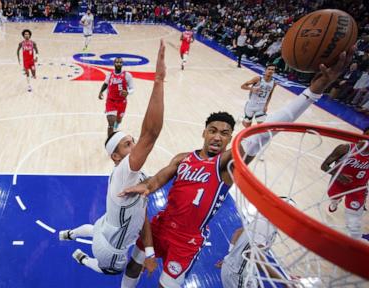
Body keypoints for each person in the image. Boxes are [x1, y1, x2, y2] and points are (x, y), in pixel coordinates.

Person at [120, 47, 355, 288]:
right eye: (212, 131)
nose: (217, 137)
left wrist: (312, 93)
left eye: (224, 133)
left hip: (187, 240)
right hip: (162, 223)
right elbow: (157, 179)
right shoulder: (183, 158)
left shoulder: (225, 165)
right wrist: (145, 186)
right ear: (204, 132)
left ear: (230, 137)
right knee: (134, 264)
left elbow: (267, 129)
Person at [58, 40, 166, 280]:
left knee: (95, 228)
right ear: (116, 157)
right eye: (128, 144)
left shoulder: (133, 176)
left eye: (132, 140)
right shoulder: (125, 172)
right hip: (110, 250)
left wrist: (149, 251)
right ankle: (84, 259)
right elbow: (151, 134)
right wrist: (158, 81)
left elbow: (143, 215)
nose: (135, 145)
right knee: (112, 270)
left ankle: (68, 234)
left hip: (105, 228)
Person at [217, 198, 296, 287]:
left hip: (239, 270)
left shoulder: (263, 219)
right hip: (237, 275)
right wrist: (284, 281)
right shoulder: (266, 225)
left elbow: (238, 232)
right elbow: (254, 256)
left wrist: (230, 256)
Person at [321, 127, 369, 240]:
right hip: (338, 184)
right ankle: (335, 202)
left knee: (353, 219)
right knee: (334, 198)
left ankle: (355, 243)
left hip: (357, 189)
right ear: (364, 134)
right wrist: (339, 175)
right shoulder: (345, 148)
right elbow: (324, 166)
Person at [98, 57, 134, 136]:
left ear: (122, 64)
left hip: (121, 102)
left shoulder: (127, 75)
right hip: (111, 101)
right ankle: (109, 140)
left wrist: (127, 92)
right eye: (117, 62)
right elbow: (105, 84)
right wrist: (101, 92)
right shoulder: (109, 74)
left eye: (120, 62)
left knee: (118, 120)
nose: (118, 64)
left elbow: (132, 89)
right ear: (114, 63)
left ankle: (116, 125)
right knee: (111, 122)